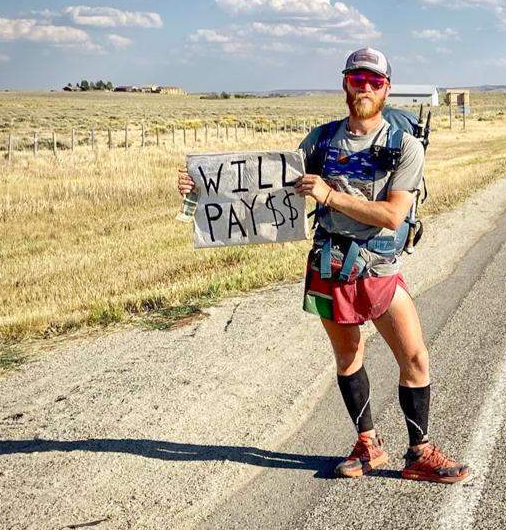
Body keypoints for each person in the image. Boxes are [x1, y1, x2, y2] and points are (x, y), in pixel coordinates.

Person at [177, 47, 469, 484]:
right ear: (345, 84)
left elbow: (392, 215)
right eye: (357, 79)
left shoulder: (403, 146)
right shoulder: (321, 140)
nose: (365, 88)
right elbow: (269, 188)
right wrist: (201, 190)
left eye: (374, 81)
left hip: (379, 266)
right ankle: (368, 444)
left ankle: (419, 452)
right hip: (330, 264)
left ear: (386, 88)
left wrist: (330, 196)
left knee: (414, 357)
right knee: (348, 355)